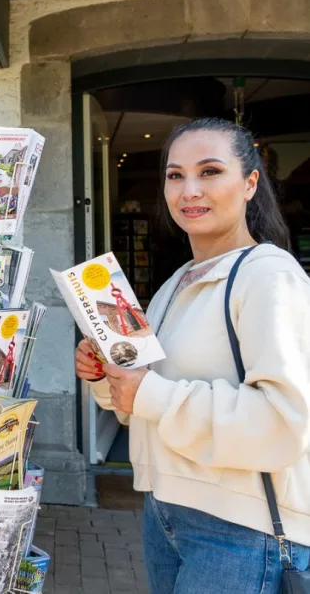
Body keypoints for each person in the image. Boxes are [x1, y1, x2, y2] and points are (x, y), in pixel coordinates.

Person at [74, 118, 310, 593]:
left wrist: (152, 393)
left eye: (209, 171)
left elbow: (285, 422)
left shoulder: (268, 276)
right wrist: (107, 375)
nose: (189, 190)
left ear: (249, 183)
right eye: (176, 175)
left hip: (244, 532)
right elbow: (140, 407)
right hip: (166, 512)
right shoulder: (177, 281)